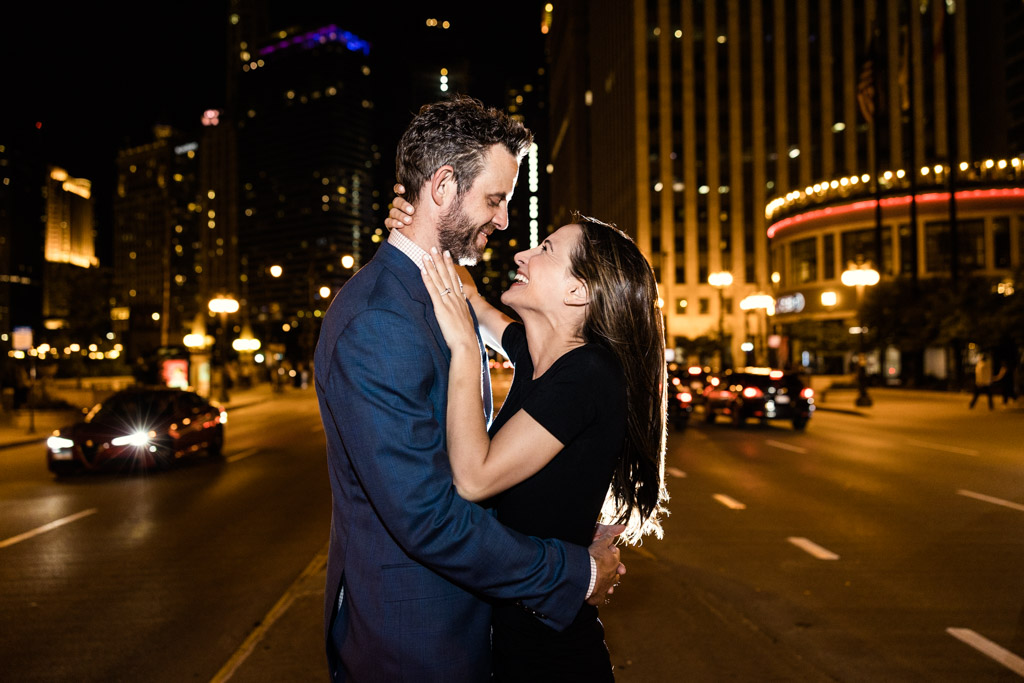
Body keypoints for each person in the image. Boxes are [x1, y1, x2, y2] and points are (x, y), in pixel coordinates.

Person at [314, 95, 625, 683]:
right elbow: (428, 518)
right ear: (442, 185)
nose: (505, 221)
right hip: (415, 645)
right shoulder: (380, 321)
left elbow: (476, 310)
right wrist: (575, 572)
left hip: (470, 628)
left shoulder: (434, 298)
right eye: (495, 199)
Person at [392, 198, 669, 679]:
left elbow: (475, 479)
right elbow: (471, 301)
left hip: (551, 657)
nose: (521, 254)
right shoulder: (538, 355)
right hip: (515, 638)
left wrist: (462, 348)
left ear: (578, 291)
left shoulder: (587, 373)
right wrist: (419, 222)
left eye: (545, 249)